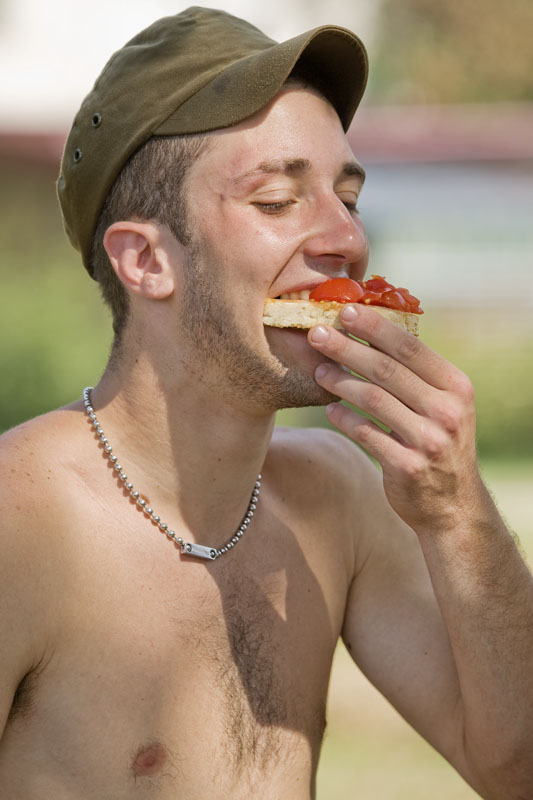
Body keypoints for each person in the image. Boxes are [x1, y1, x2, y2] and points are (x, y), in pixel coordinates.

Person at [0, 7, 531, 799]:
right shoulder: (21, 520)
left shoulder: (335, 496)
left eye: (346, 196)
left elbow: (516, 770)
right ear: (146, 260)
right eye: (278, 201)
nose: (345, 238)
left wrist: (459, 516)